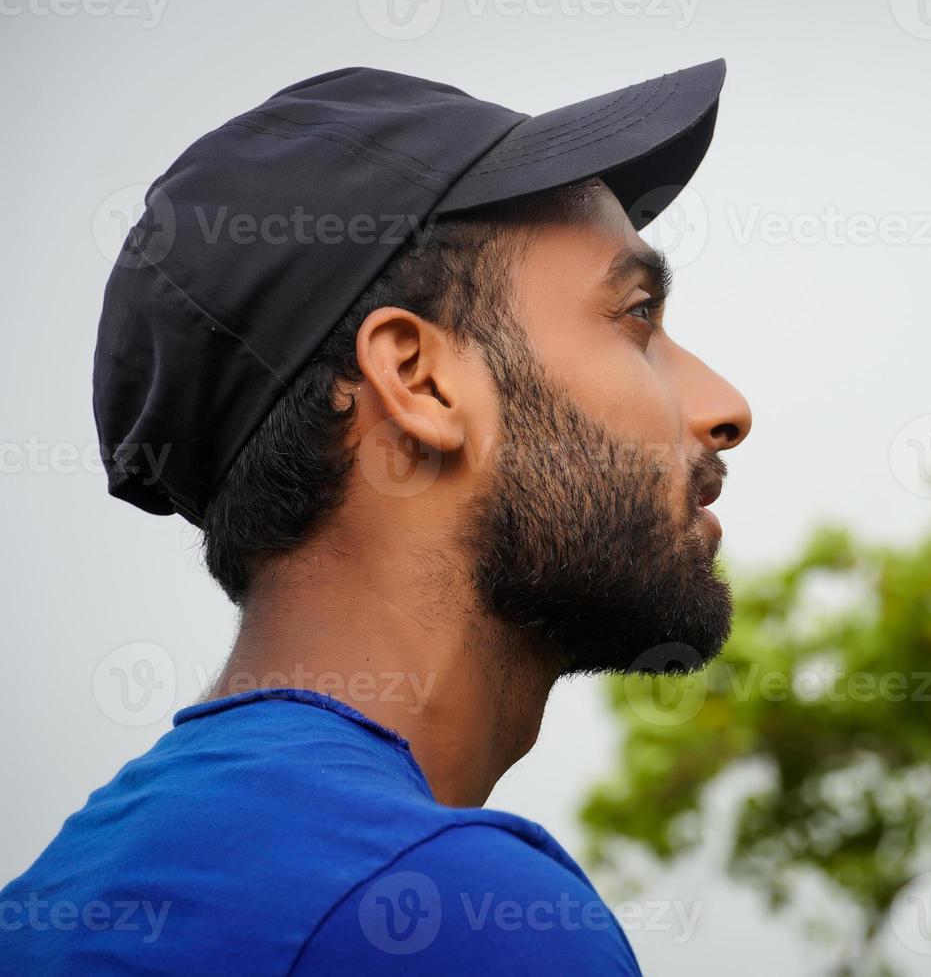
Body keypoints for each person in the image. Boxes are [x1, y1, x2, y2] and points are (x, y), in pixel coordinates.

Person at [0, 60, 750, 975]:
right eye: (635, 316)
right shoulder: (454, 915)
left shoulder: (49, 907)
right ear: (420, 381)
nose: (725, 407)